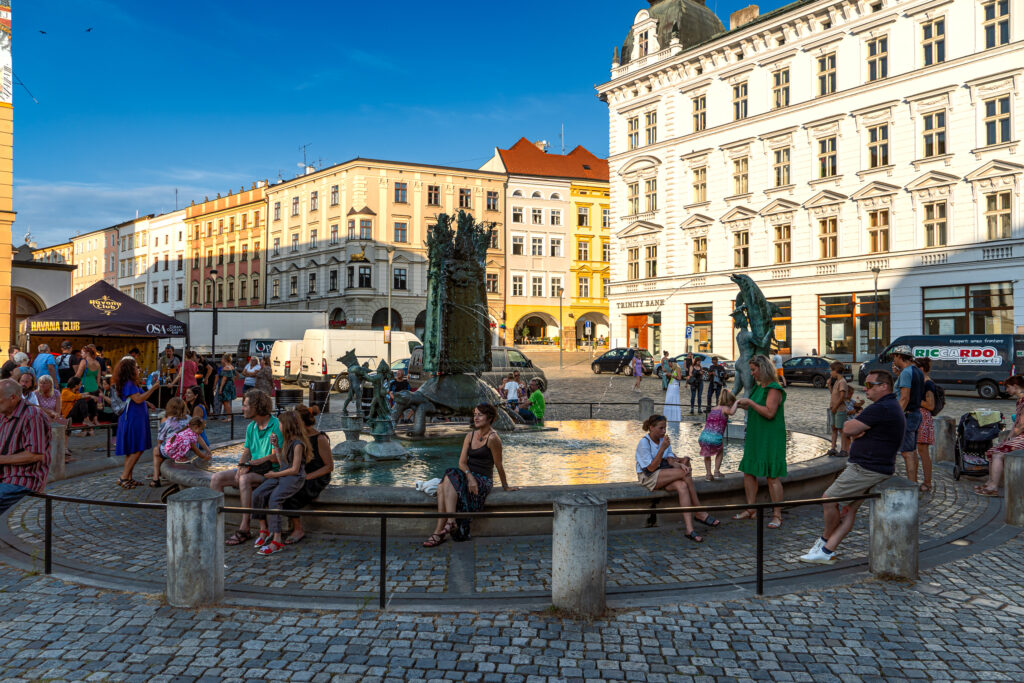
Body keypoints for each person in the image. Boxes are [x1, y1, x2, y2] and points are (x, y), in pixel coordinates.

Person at [799, 370, 905, 564]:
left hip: (866, 468)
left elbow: (847, 429)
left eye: (870, 385)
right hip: (877, 466)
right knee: (849, 510)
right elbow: (854, 430)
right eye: (866, 384)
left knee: (828, 499)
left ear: (884, 387)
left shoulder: (880, 408)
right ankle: (826, 550)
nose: (866, 388)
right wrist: (859, 430)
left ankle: (824, 539)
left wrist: (857, 429)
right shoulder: (888, 406)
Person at [423, 404, 519, 547]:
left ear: (490, 418)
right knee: (447, 478)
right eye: (474, 414)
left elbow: (499, 465)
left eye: (480, 414)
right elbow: (462, 463)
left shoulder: (493, 439)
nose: (476, 417)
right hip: (469, 477)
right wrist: (470, 477)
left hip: (483, 480)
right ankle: (450, 522)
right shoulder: (470, 435)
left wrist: (505, 486)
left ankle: (438, 533)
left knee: (445, 483)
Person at [633, 413, 719, 542]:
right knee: (685, 474)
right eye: (661, 428)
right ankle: (700, 511)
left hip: (663, 473)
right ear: (651, 427)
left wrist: (679, 463)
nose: (664, 431)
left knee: (682, 485)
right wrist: (662, 449)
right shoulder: (644, 443)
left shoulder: (664, 440)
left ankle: (689, 530)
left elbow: (670, 460)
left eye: (665, 428)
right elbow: (650, 469)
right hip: (648, 477)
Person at [212, 389, 283, 546]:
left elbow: (274, 457)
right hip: (253, 469)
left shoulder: (276, 425)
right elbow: (247, 450)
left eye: (245, 405)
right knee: (217, 478)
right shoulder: (251, 427)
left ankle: (245, 527)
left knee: (244, 479)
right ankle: (214, 525)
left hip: (271, 472)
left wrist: (249, 465)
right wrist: (240, 466)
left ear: (256, 407)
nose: (242, 408)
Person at [731, 354, 787, 529]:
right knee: (749, 471)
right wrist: (739, 403)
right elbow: (754, 404)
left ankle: (777, 514)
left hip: (770, 436)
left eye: (754, 370)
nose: (752, 373)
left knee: (772, 476)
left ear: (763, 369)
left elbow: (770, 412)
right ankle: (751, 509)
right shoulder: (758, 387)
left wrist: (750, 403)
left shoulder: (774, 388)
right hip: (756, 434)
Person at [251, 410, 310, 555]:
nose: (279, 427)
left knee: (275, 499)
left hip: (293, 478)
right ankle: (264, 530)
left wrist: (274, 474)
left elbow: (294, 470)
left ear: (287, 425)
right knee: (257, 493)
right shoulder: (287, 441)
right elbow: (282, 462)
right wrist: (277, 447)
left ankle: (277, 539)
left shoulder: (298, 445)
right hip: (283, 475)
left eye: (281, 424)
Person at [279, 404, 333, 544]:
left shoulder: (319, 438)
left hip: (317, 476)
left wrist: (308, 477)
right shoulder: (295, 438)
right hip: (301, 473)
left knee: (292, 493)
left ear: (299, 422)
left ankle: (298, 529)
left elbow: (329, 466)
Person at [0, 379, 52, 516]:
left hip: (22, 478)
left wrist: (2, 459)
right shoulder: (3, 414)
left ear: (13, 398)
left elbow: (35, 455)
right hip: (4, 476)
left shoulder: (32, 415)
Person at [113, 356, 161, 489]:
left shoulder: (129, 383)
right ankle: (123, 477)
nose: (138, 369)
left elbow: (135, 399)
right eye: (136, 367)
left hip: (135, 417)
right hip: (133, 419)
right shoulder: (129, 383)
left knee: (132, 449)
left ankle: (128, 477)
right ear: (130, 369)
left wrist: (147, 402)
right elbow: (138, 399)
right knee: (137, 448)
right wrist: (153, 389)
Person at [974, 375, 1024, 497]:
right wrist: (1009, 437)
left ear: (1015, 386)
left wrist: (1011, 438)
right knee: (992, 451)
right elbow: (1017, 423)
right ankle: (990, 482)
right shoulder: (1020, 401)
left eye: (1008, 387)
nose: (1006, 390)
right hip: (1020, 436)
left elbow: (1021, 425)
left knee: (998, 453)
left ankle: (993, 487)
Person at [891, 345, 925, 484]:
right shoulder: (916, 371)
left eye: (894, 356)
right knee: (912, 450)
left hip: (907, 415)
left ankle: (912, 485)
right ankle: (914, 482)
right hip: (915, 413)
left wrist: (896, 416)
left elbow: (904, 397)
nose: (893, 359)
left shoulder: (906, 372)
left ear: (900, 356)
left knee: (907, 452)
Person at [149, 397, 190, 487]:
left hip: (172, 451)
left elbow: (160, 439)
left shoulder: (166, 421)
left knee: (157, 450)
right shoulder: (189, 419)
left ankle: (155, 478)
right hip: (187, 450)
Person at [699, 389, 736, 481]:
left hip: (704, 436)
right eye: (733, 403)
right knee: (720, 451)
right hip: (715, 437)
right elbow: (732, 412)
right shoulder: (725, 409)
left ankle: (708, 474)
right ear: (731, 402)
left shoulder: (714, 408)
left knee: (707, 455)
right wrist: (738, 402)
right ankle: (716, 472)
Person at [915, 357, 937, 493]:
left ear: (921, 368)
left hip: (923, 417)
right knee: (918, 451)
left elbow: (930, 405)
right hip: (918, 416)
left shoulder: (927, 383)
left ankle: (927, 482)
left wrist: (915, 400)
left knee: (923, 452)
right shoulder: (921, 382)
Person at [827, 361, 849, 457]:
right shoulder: (836, 381)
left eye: (831, 370)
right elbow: (833, 394)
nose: (830, 373)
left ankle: (844, 449)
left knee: (841, 429)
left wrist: (835, 407)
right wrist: (829, 386)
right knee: (834, 428)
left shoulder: (842, 382)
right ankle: (833, 448)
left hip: (839, 409)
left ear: (836, 371)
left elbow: (842, 397)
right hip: (834, 408)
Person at [216, 354, 237, 422]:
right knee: (227, 402)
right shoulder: (232, 367)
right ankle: (229, 416)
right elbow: (236, 376)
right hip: (230, 385)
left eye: (222, 359)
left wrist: (221, 388)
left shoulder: (226, 368)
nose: (221, 360)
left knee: (226, 402)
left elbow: (224, 379)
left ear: (225, 360)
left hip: (226, 386)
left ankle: (228, 417)